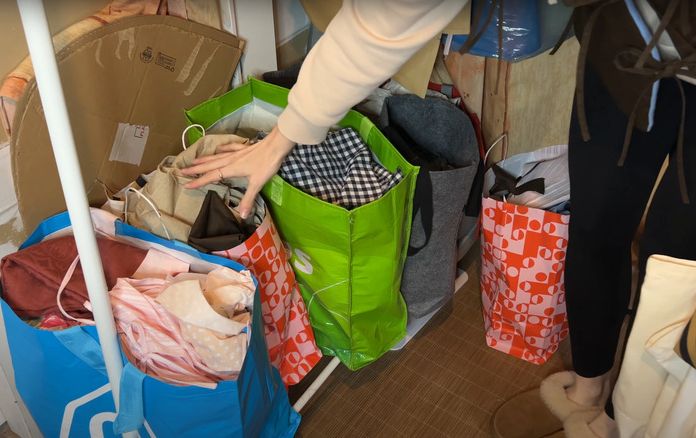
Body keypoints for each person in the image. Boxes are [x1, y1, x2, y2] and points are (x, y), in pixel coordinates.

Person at [183, 1, 696, 437]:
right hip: (629, 36)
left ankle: (635, 416)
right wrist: (283, 136)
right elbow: (386, 15)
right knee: (596, 225)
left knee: (676, 266)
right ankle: (589, 392)